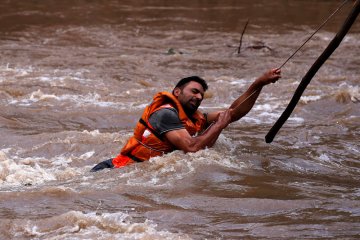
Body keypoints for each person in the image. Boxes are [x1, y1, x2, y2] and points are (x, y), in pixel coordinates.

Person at [90, 68, 281, 172]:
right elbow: (191, 148)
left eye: (202, 95)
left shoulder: (194, 118)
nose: (198, 97)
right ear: (177, 92)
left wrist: (259, 83)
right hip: (113, 170)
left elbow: (233, 113)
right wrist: (219, 126)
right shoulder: (166, 114)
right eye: (194, 91)